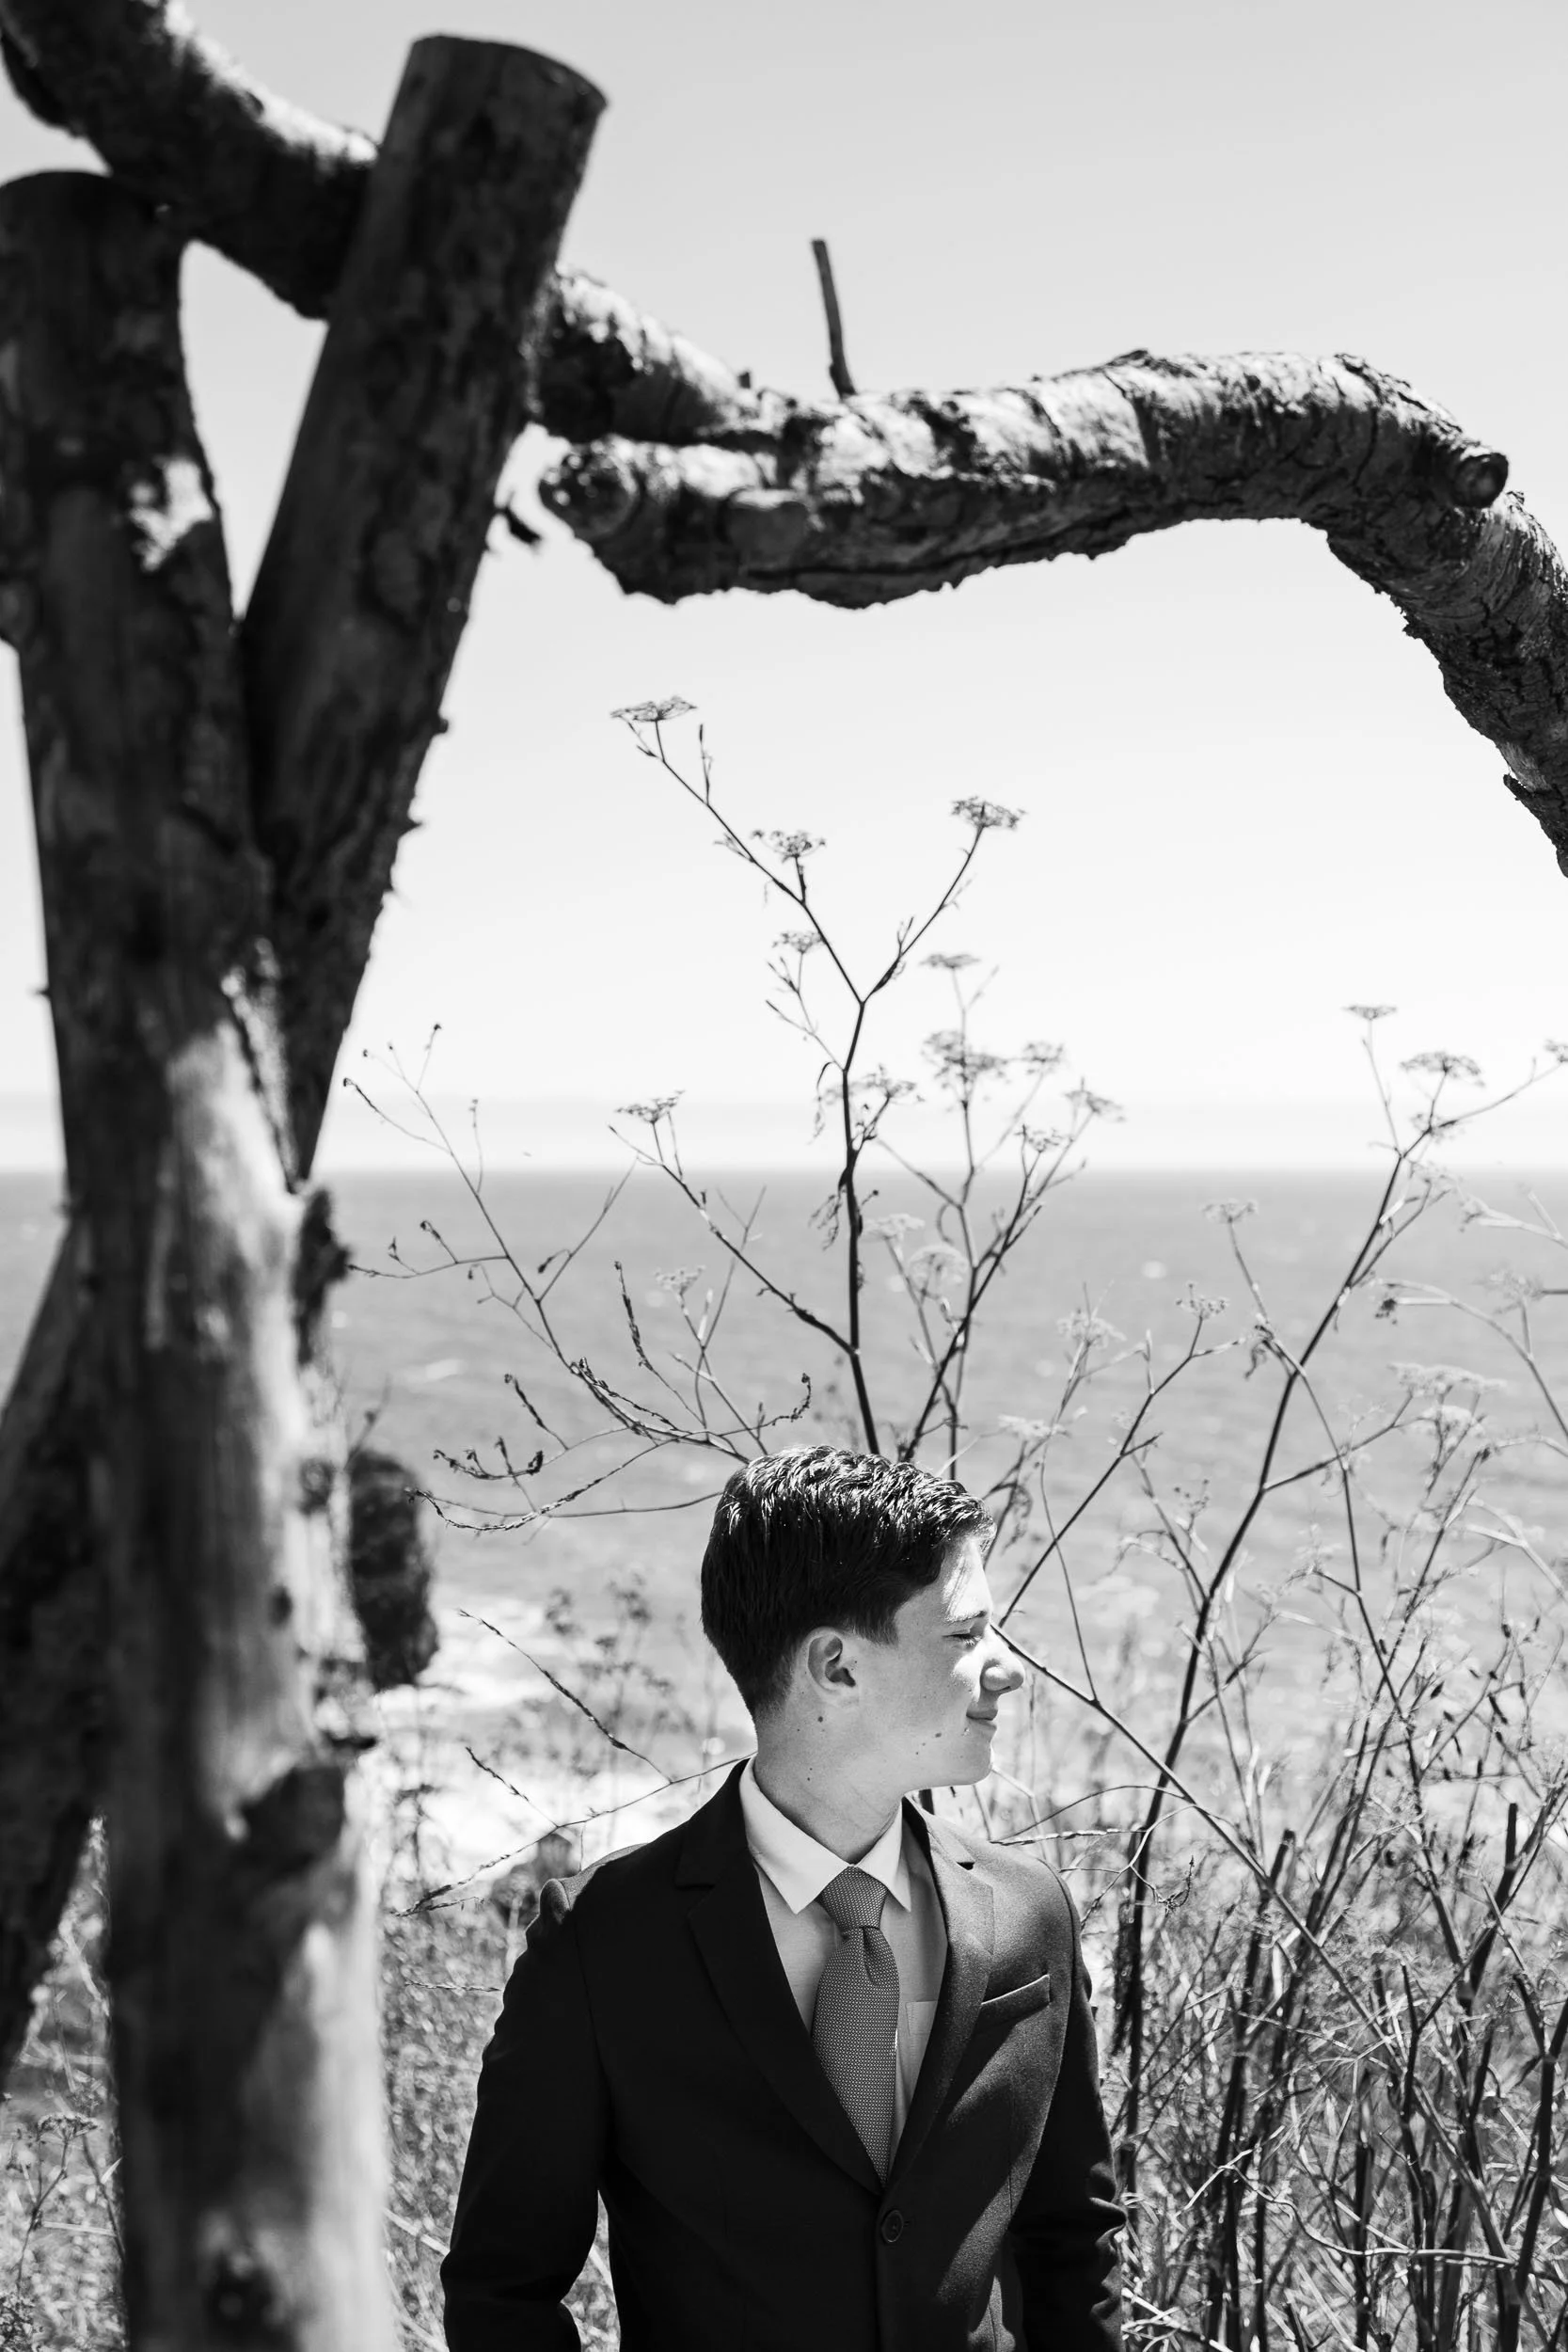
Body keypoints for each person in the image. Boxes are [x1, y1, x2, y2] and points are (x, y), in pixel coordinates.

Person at [442, 1446, 1123, 2351]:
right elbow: (503, 2291)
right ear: (835, 1666)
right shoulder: (604, 1945)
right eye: (966, 1636)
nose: (1007, 1670)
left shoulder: (1031, 1912)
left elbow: (1073, 2240)